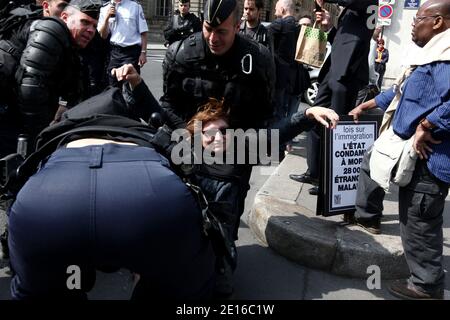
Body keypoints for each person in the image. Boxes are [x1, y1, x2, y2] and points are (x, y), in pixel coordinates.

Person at [6, 69, 215, 300]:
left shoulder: (59, 132)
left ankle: (73, 283)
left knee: (61, 282)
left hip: (47, 205)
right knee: (170, 283)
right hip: (151, 199)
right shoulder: (141, 132)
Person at [348, 0, 450, 299]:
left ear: (438, 22)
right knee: (413, 217)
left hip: (430, 160)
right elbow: (403, 90)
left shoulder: (445, 58)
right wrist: (368, 104)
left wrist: (427, 125)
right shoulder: (432, 55)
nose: (412, 24)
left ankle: (426, 285)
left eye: (418, 18)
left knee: (419, 223)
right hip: (414, 155)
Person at [291, 0, 378, 195]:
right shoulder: (351, 11)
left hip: (347, 73)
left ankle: (329, 182)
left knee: (335, 128)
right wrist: (328, 25)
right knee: (315, 118)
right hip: (333, 70)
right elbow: (340, 38)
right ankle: (314, 171)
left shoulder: (367, 2)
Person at [1, 0, 101, 159]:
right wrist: (44, 133)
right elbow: (30, 87)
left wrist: (62, 105)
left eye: (94, 26)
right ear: (65, 17)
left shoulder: (71, 42)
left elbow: (73, 87)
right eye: (85, 22)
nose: (91, 30)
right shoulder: (51, 30)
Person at [97, 0, 148, 85]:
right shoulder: (104, 8)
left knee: (130, 85)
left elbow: (143, 32)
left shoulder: (135, 6)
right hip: (114, 52)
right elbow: (103, 35)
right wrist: (106, 18)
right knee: (112, 84)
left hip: (131, 52)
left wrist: (143, 53)